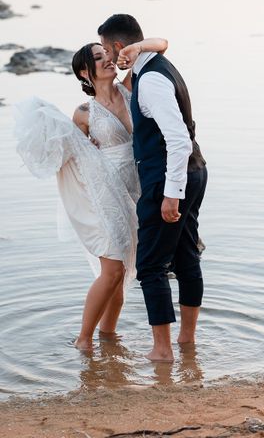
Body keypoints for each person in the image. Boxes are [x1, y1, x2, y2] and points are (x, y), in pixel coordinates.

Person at [15, 37, 169, 352]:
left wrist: (135, 48)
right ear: (85, 73)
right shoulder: (84, 113)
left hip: (138, 188)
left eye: (106, 54)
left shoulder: (131, 89)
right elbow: (77, 158)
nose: (108, 59)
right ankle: (83, 340)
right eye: (99, 58)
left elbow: (162, 46)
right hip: (105, 193)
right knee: (112, 267)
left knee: (123, 270)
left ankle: (108, 336)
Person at [98, 14, 207, 362]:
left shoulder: (151, 82)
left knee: (150, 266)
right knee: (186, 255)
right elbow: (161, 42)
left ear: (118, 47)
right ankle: (186, 341)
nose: (105, 55)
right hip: (195, 171)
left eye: (104, 48)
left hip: (169, 177)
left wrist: (170, 193)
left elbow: (177, 140)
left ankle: (163, 351)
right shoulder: (155, 63)